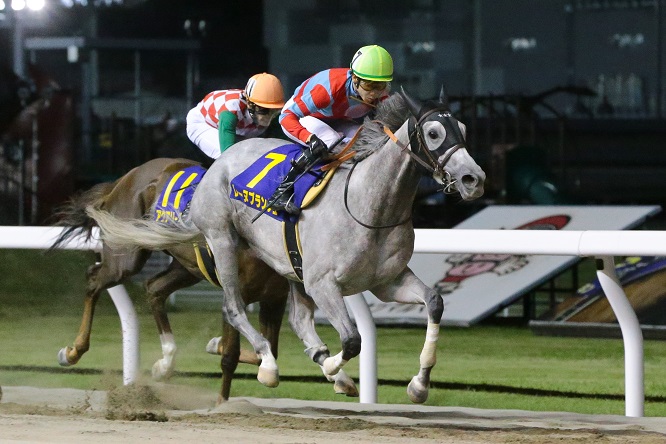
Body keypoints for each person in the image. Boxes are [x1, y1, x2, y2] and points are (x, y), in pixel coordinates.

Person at [268, 45, 393, 215]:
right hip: (302, 116)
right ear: (355, 78)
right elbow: (286, 116)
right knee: (329, 140)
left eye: (380, 85)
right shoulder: (328, 90)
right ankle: (281, 191)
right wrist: (309, 138)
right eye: (369, 85)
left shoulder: (380, 94)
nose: (375, 93)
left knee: (365, 138)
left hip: (334, 117)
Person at [186, 72, 285, 160]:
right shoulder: (231, 110)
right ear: (250, 104)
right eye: (264, 110)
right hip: (203, 124)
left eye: (274, 110)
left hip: (237, 129)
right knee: (233, 157)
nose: (269, 116)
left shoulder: (261, 109)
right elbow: (228, 155)